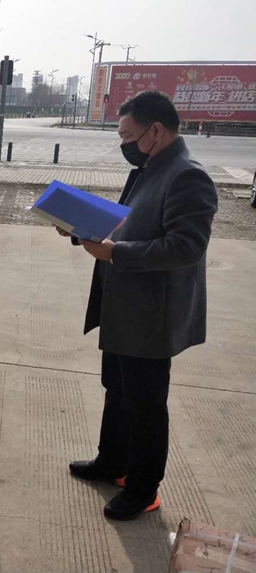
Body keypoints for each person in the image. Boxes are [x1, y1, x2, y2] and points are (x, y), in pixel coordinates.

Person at [63, 91, 218, 521]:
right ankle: (112, 462)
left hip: (151, 315)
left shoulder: (188, 176)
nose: (123, 143)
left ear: (156, 130)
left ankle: (143, 489)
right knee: (116, 389)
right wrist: (78, 228)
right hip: (123, 306)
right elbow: (122, 223)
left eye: (128, 135)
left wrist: (116, 253)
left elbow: (186, 247)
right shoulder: (149, 168)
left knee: (146, 404)